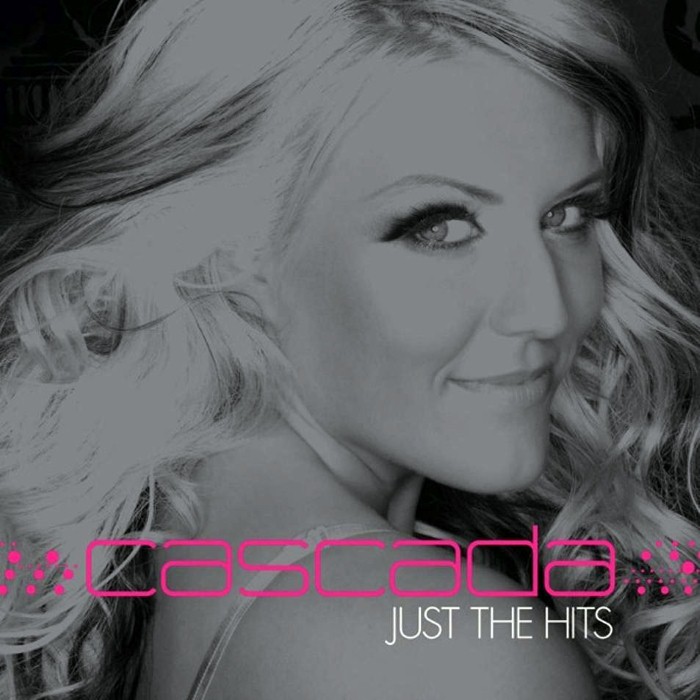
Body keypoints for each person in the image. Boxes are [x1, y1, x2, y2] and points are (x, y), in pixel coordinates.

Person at [1, 0, 699, 698]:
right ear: (237, 259)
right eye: (440, 229)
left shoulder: (198, 537)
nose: (548, 310)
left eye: (566, 215)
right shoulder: (447, 647)